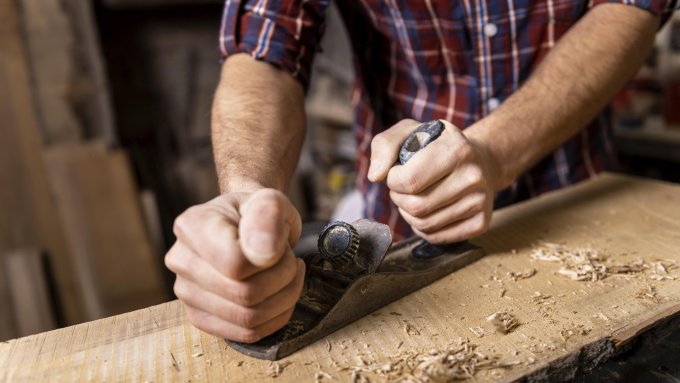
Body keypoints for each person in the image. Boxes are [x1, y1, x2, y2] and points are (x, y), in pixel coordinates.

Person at [165, 0, 676, 343]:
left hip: (579, 204)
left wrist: (493, 151)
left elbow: (631, 6)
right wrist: (247, 193)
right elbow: (264, 45)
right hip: (407, 217)